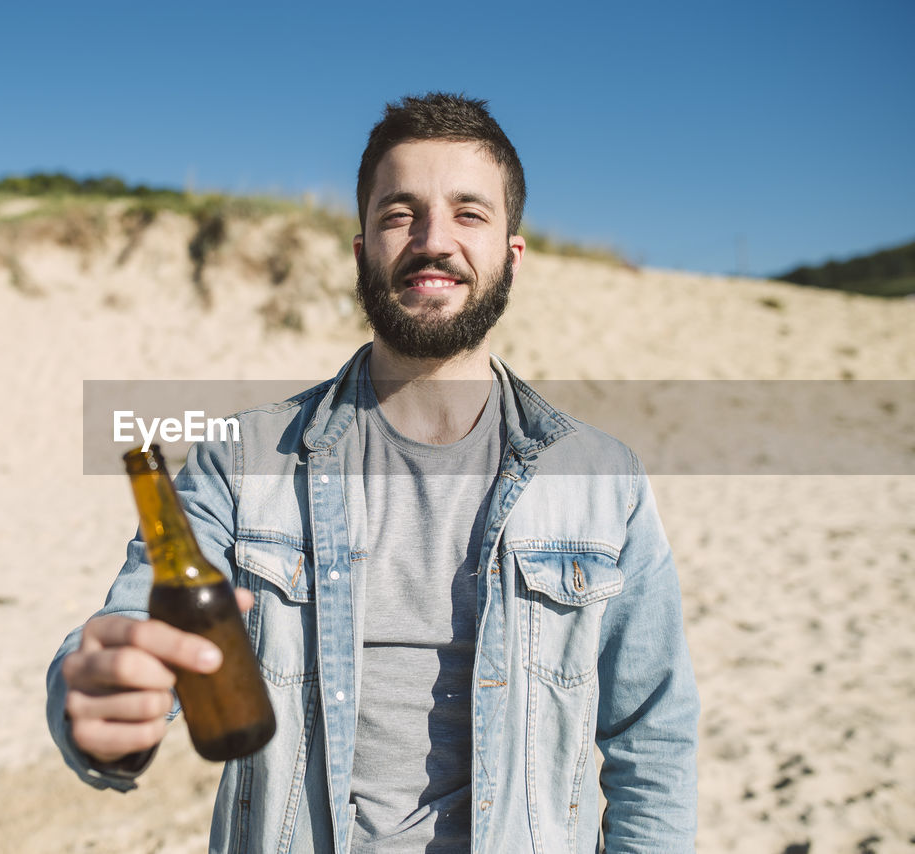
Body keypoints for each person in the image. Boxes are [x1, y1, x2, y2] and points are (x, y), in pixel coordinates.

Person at [47, 92, 699, 852]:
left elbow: (651, 733)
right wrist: (92, 706)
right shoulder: (240, 461)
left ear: (510, 256)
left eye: (469, 213)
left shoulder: (602, 479)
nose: (433, 240)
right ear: (362, 253)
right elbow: (130, 640)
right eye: (399, 213)